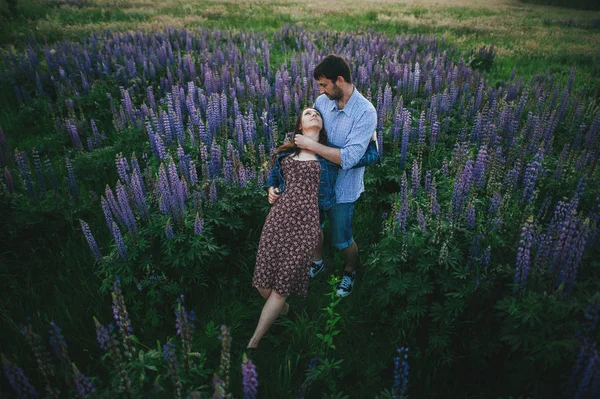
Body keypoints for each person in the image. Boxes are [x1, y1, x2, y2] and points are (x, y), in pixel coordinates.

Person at [293, 54, 377, 298]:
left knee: (342, 238)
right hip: (317, 182)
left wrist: (314, 146)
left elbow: (349, 159)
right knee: (314, 228)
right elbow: (312, 132)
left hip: (344, 189)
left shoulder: (365, 112)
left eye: (324, 84)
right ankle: (317, 263)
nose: (320, 90)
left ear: (340, 80)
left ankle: (350, 271)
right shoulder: (323, 101)